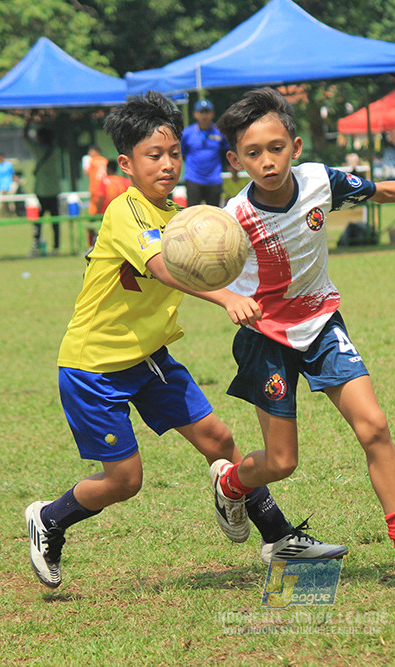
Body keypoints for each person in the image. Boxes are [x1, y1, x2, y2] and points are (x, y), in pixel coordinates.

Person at [25, 92, 344, 590]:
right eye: (155, 156)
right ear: (127, 164)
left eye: (174, 153)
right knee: (125, 482)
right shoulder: (124, 213)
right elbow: (166, 267)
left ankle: (278, 537)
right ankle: (49, 518)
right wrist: (225, 299)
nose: (168, 164)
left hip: (149, 358)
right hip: (94, 367)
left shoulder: (180, 214)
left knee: (219, 440)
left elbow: (207, 252)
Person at [211, 87, 395, 589]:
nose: (267, 161)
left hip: (322, 323)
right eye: (253, 153)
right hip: (265, 336)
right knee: (282, 462)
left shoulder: (318, 181)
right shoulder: (232, 218)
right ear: (235, 160)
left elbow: (382, 190)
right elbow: (195, 268)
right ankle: (230, 483)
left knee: (374, 426)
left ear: (296, 146)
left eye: (276, 148)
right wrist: (227, 298)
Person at [181, 99, 236, 206]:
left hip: (214, 179)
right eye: (201, 112)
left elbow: (227, 152)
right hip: (193, 178)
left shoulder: (219, 132)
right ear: (195, 114)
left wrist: (233, 170)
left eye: (207, 112)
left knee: (213, 213)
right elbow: (181, 153)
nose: (204, 116)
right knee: (192, 213)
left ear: (212, 114)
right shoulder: (187, 133)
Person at [24, 119, 62, 256]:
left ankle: (36, 245)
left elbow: (25, 136)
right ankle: (56, 247)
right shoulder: (55, 150)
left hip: (41, 191)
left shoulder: (39, 150)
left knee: (38, 222)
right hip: (54, 190)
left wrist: (30, 119)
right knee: (55, 221)